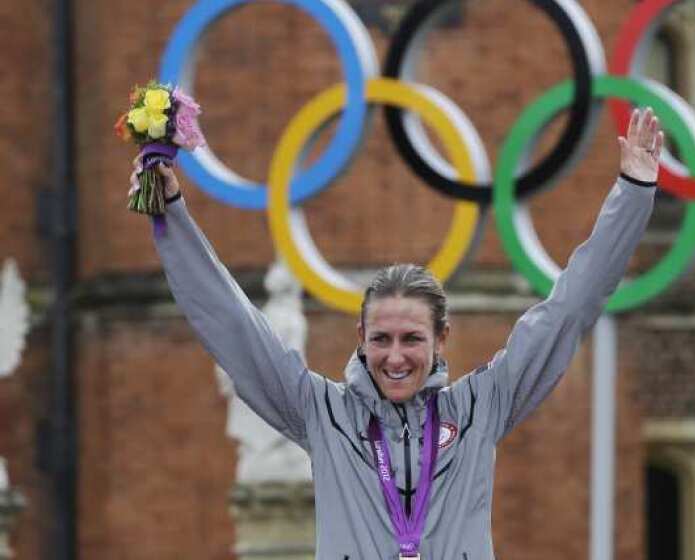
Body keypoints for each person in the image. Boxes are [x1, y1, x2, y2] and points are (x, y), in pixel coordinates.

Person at [138, 107, 664, 559]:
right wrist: (174, 218)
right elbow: (231, 325)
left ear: (441, 340)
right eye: (381, 339)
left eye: (412, 339)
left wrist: (635, 192)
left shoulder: (481, 407)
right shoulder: (321, 413)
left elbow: (568, 310)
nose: (395, 357)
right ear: (361, 337)